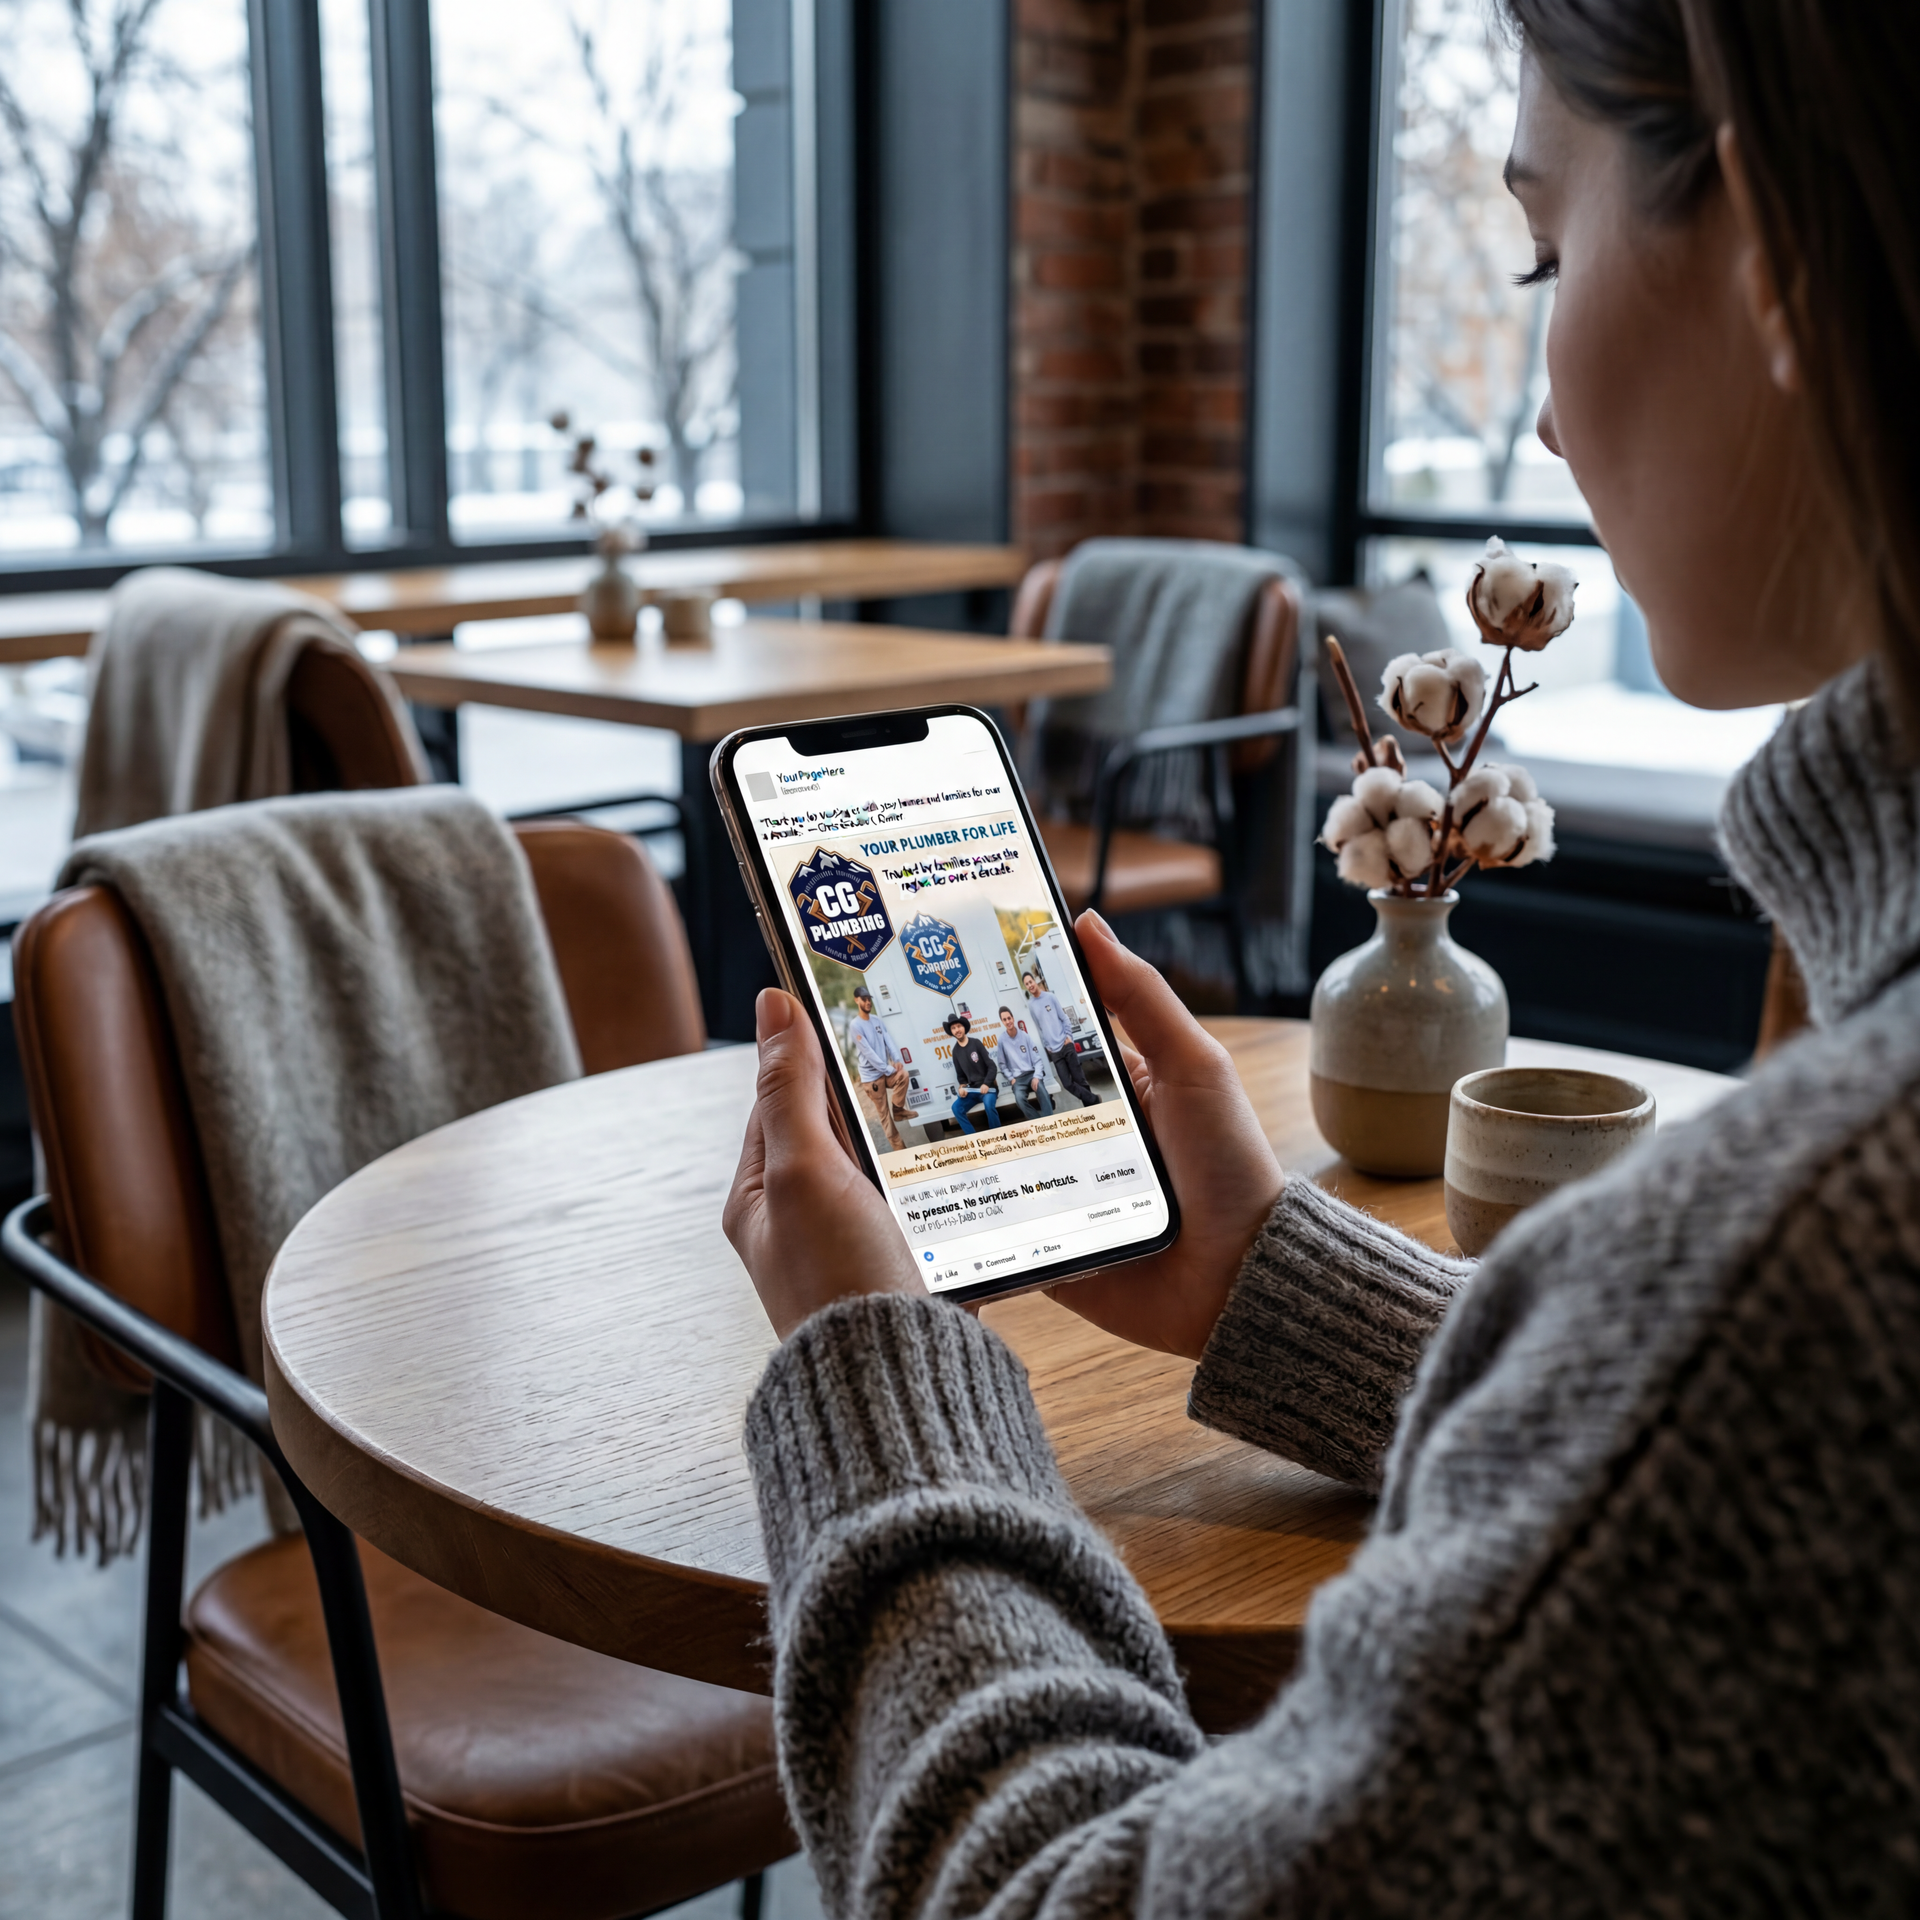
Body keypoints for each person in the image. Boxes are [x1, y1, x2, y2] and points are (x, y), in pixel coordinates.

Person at [722, 2, 1920, 1910]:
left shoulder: (1805, 1263)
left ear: (1772, 246)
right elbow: (1720, 1490)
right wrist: (1265, 1285)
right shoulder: (1779, 1300)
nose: (1542, 411)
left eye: (1545, 249)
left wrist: (874, 1377)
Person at [1020, 967, 1100, 1107]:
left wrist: (1069, 1037)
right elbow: (1039, 1028)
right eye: (1026, 984)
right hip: (1055, 1051)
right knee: (1067, 1083)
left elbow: (1064, 1018)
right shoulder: (1031, 1005)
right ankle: (1094, 1100)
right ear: (1026, 987)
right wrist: (1047, 1046)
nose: (1030, 985)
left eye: (1030, 981)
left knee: (1080, 1080)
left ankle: (1092, 1108)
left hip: (1066, 1044)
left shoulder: (1050, 997)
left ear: (1035, 981)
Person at [845, 986, 910, 1151]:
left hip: (885, 1072)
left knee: (903, 1075)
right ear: (856, 1000)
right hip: (872, 1079)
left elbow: (888, 1040)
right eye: (864, 999)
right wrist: (888, 1069)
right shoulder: (855, 1025)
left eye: (869, 999)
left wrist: (896, 1060)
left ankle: (898, 1109)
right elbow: (868, 1053)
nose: (867, 1002)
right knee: (885, 1118)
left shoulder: (876, 1020)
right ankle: (901, 1150)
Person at [992, 1005, 1053, 1121]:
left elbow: (1037, 1060)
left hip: (1031, 1074)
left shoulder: (1025, 1036)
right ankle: (1038, 1122)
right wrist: (1011, 1079)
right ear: (1002, 1022)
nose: (1008, 1022)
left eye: (1009, 1018)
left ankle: (1049, 1120)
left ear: (1013, 1018)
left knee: (1042, 1091)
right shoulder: (1002, 1040)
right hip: (1018, 1079)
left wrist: (1036, 1076)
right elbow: (1002, 1064)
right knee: (1019, 1100)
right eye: (1004, 1020)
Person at [942, 1011, 1000, 1132]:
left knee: (989, 1106)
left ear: (964, 1027)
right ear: (951, 1032)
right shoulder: (955, 1051)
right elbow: (961, 1077)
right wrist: (962, 1087)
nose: (957, 1030)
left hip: (988, 1089)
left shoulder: (976, 1043)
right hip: (972, 1092)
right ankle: (973, 1138)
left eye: (959, 1026)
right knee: (956, 1108)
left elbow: (992, 1067)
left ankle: (997, 1136)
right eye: (953, 1028)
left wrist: (986, 1083)